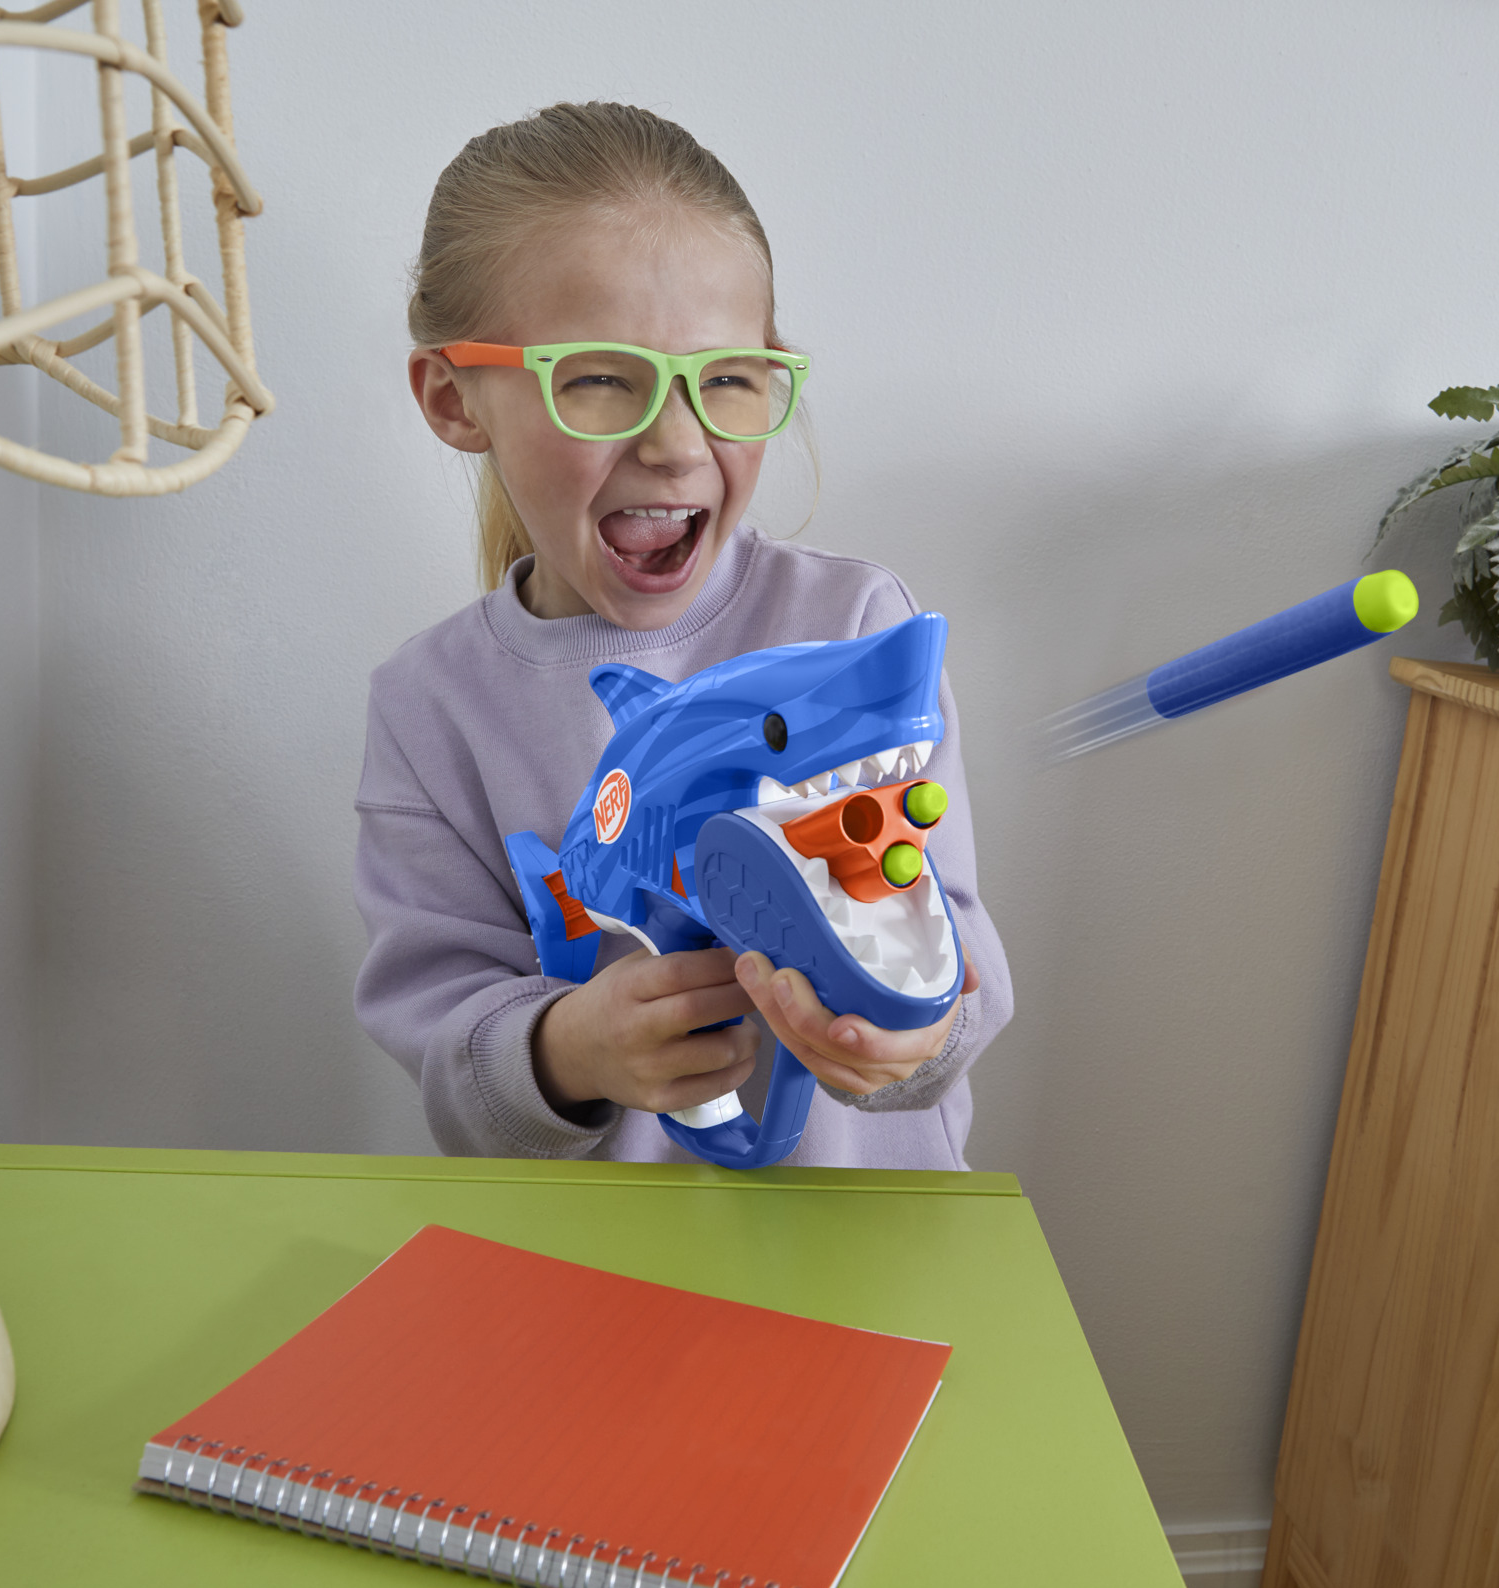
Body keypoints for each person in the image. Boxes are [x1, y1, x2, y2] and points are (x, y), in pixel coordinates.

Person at [353, 102, 1011, 1167]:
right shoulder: (431, 704)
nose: (673, 442)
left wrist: (914, 1034)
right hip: (595, 1277)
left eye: (725, 381)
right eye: (600, 380)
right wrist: (571, 1050)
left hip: (870, 1258)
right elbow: (447, 1055)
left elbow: (957, 971)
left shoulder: (858, 634)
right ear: (453, 397)